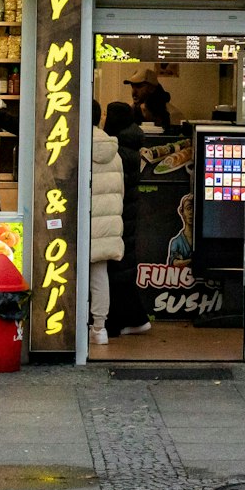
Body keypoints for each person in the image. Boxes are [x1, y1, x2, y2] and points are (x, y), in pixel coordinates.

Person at [101, 101, 150, 336]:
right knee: (123, 266)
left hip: (117, 214)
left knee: (117, 268)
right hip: (127, 212)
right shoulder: (131, 145)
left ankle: (121, 321)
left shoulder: (117, 149)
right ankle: (136, 318)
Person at [88, 101, 124, 345]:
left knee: (68, 273)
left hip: (81, 221)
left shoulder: (73, 145)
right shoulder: (114, 151)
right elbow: (119, 190)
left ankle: (73, 325)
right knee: (100, 275)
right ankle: (100, 329)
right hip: (107, 222)